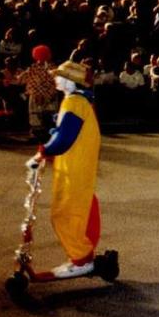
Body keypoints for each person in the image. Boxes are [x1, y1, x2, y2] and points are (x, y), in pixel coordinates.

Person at [25, 61, 103, 278]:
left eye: (59, 76)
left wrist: (43, 152)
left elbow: (64, 138)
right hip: (75, 166)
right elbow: (65, 131)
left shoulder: (74, 103)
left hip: (74, 168)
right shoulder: (79, 102)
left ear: (70, 81)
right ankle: (82, 257)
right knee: (73, 213)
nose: (55, 79)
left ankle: (81, 260)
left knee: (65, 215)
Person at [16, 45, 58, 142]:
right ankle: (46, 134)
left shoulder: (34, 68)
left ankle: (39, 134)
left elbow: (21, 79)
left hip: (40, 96)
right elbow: (56, 82)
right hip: (45, 95)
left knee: (39, 115)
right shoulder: (51, 67)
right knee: (45, 115)